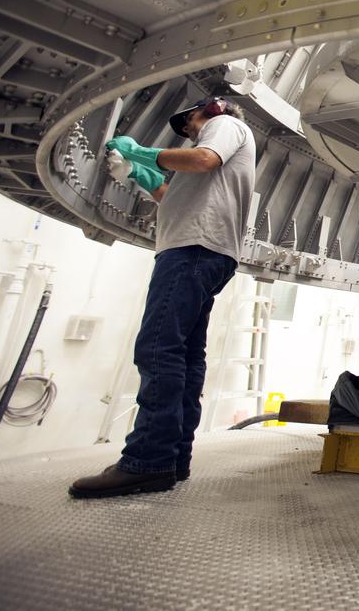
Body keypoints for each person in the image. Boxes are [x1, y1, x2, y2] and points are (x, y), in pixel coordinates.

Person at [70, 97, 256, 498]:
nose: (187, 132)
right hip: (206, 250)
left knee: (157, 348)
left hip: (192, 250)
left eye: (187, 124)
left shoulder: (223, 127)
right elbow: (175, 194)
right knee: (186, 356)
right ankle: (173, 458)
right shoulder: (211, 149)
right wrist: (142, 174)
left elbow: (204, 159)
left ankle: (147, 461)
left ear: (205, 111)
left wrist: (141, 152)